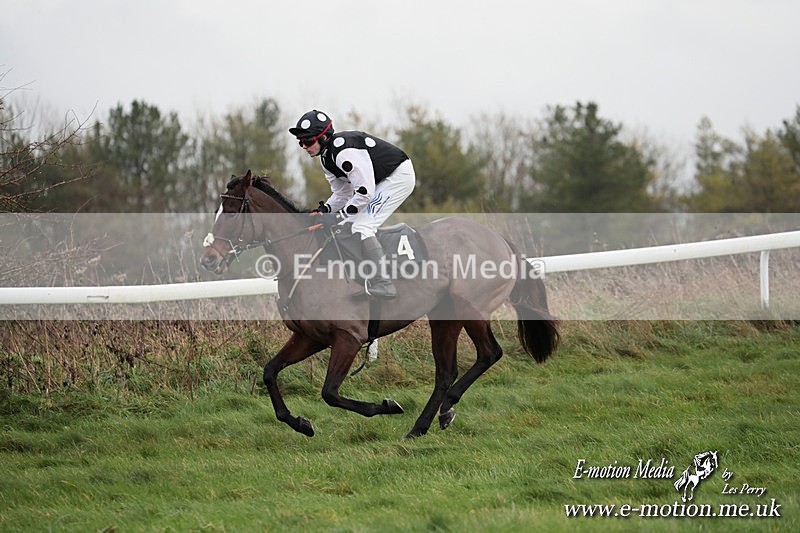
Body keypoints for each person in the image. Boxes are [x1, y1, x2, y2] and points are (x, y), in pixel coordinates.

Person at [290, 110, 415, 299]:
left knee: (363, 225)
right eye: (300, 142)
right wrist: (324, 210)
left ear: (323, 138)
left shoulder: (343, 152)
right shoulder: (326, 158)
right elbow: (343, 193)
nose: (304, 146)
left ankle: (384, 283)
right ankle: (365, 275)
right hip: (379, 181)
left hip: (398, 177)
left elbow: (364, 192)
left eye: (307, 141)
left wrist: (339, 215)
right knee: (345, 226)